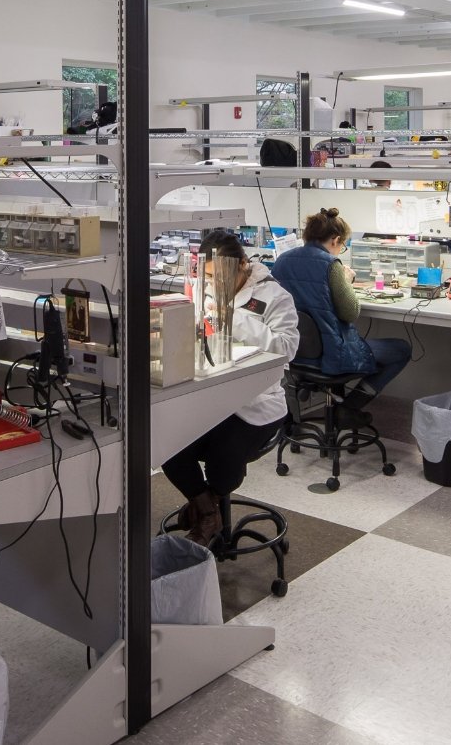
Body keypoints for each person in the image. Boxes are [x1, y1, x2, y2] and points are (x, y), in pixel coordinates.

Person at [163, 228, 299, 546]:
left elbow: (287, 348)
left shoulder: (274, 297)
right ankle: (205, 505)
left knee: (225, 450)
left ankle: (206, 508)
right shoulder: (204, 289)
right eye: (207, 276)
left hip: (255, 405)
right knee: (166, 440)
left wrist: (233, 318)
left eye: (218, 276)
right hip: (209, 395)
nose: (212, 284)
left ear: (242, 265)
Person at [272, 209, 411, 428]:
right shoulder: (330, 265)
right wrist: (345, 280)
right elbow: (350, 312)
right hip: (331, 355)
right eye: (342, 245)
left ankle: (320, 401)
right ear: (336, 240)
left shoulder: (281, 261)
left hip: (294, 353)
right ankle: (348, 407)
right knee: (401, 349)